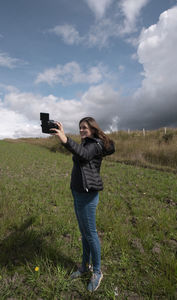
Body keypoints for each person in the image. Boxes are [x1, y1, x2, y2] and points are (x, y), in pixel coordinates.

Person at [51, 117, 115, 292]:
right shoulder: (87, 143)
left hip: (87, 195)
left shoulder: (95, 144)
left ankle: (97, 271)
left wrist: (64, 139)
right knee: (84, 232)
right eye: (80, 128)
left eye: (85, 128)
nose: (81, 130)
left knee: (91, 233)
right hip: (78, 192)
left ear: (93, 129)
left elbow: (84, 155)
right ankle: (84, 266)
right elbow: (80, 152)